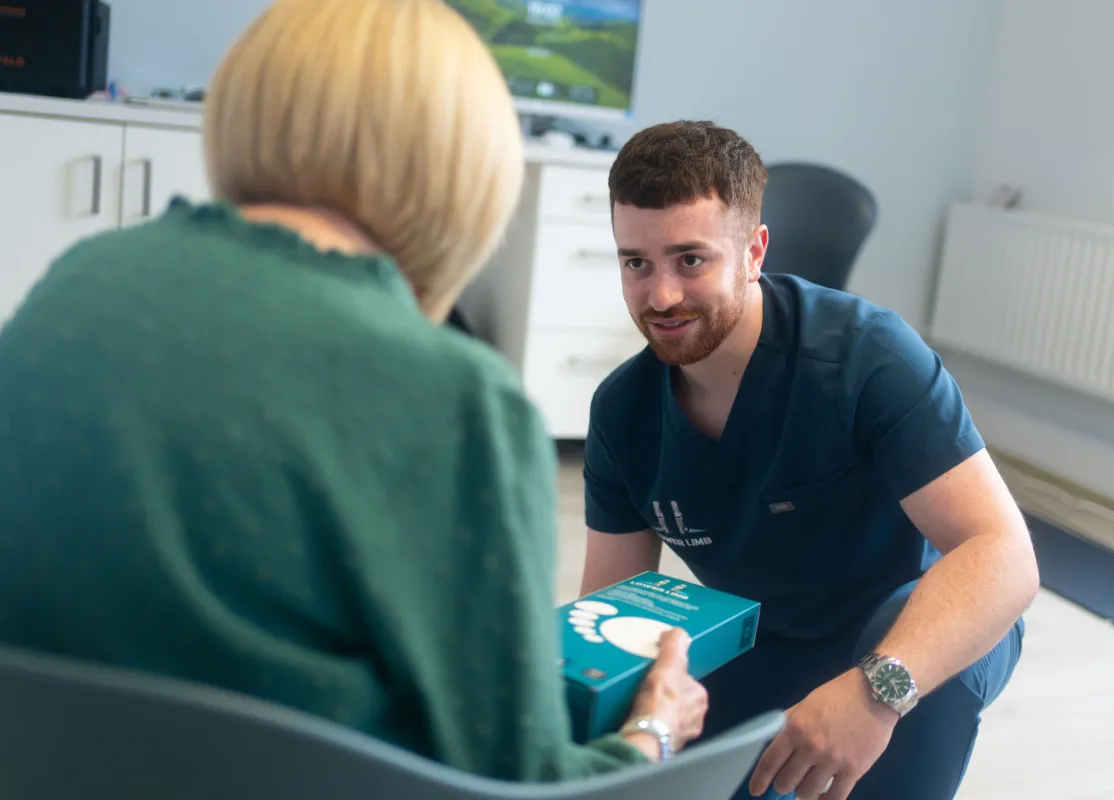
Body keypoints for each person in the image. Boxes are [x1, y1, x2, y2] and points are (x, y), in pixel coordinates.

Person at [0, 0, 708, 783]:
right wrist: (653, 730)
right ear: (463, 172)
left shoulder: (71, 285)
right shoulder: (454, 401)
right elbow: (519, 778)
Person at [579, 121, 1039, 800]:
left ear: (754, 251)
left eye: (691, 260)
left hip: (922, 629)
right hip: (770, 638)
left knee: (908, 681)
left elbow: (1003, 554)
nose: (662, 296)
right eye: (636, 263)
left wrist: (875, 695)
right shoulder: (623, 413)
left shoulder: (868, 358)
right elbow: (608, 619)